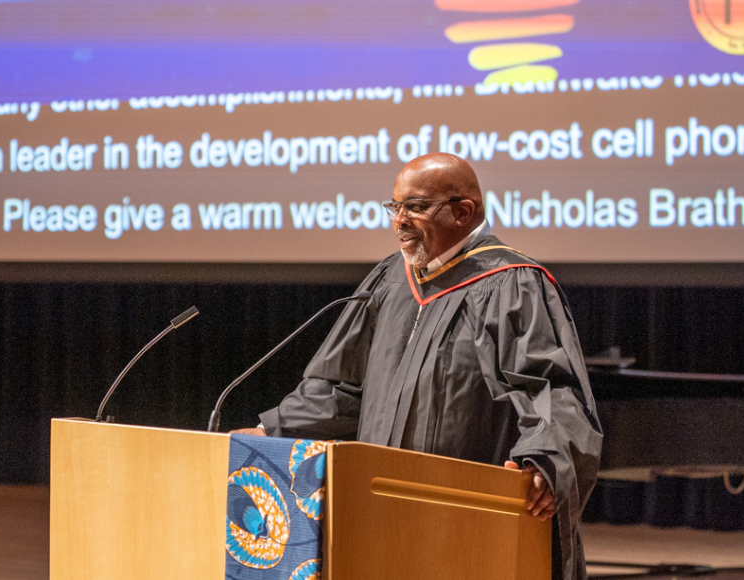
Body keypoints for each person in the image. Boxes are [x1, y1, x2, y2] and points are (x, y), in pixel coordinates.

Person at [239, 153, 602, 580]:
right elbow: (341, 389)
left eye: (414, 207)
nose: (399, 220)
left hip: (467, 521)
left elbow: (552, 390)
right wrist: (271, 431)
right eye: (395, 207)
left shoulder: (512, 283)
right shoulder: (390, 280)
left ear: (463, 211)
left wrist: (545, 459)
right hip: (380, 508)